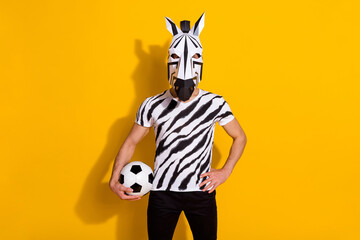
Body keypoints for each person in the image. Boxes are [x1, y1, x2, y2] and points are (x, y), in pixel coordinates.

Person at [109, 13, 247, 240]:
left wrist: (225, 171)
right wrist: (115, 179)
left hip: (201, 192)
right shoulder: (151, 104)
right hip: (162, 193)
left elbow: (240, 137)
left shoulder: (215, 103)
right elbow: (131, 142)